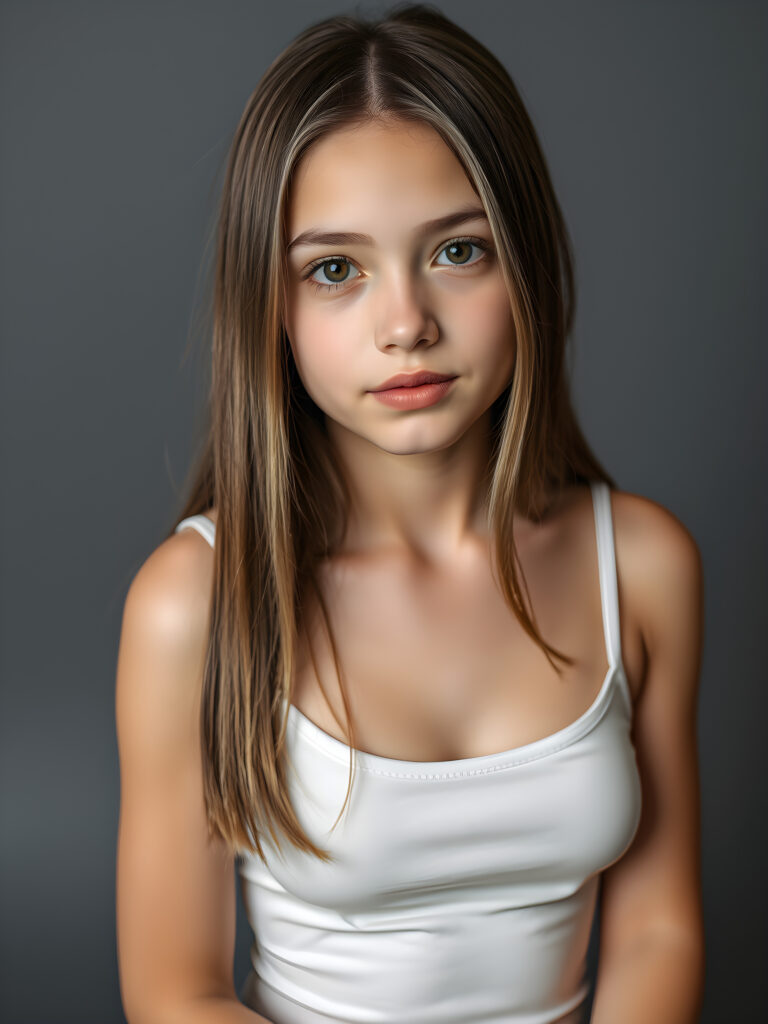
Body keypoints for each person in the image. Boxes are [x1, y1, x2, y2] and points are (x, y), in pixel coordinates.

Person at [115, 4, 705, 1022]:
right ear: (272, 306)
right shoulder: (195, 603)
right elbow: (179, 991)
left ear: (526, 263)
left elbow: (660, 928)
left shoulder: (642, 564)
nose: (405, 325)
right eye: (334, 270)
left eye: (458, 251)